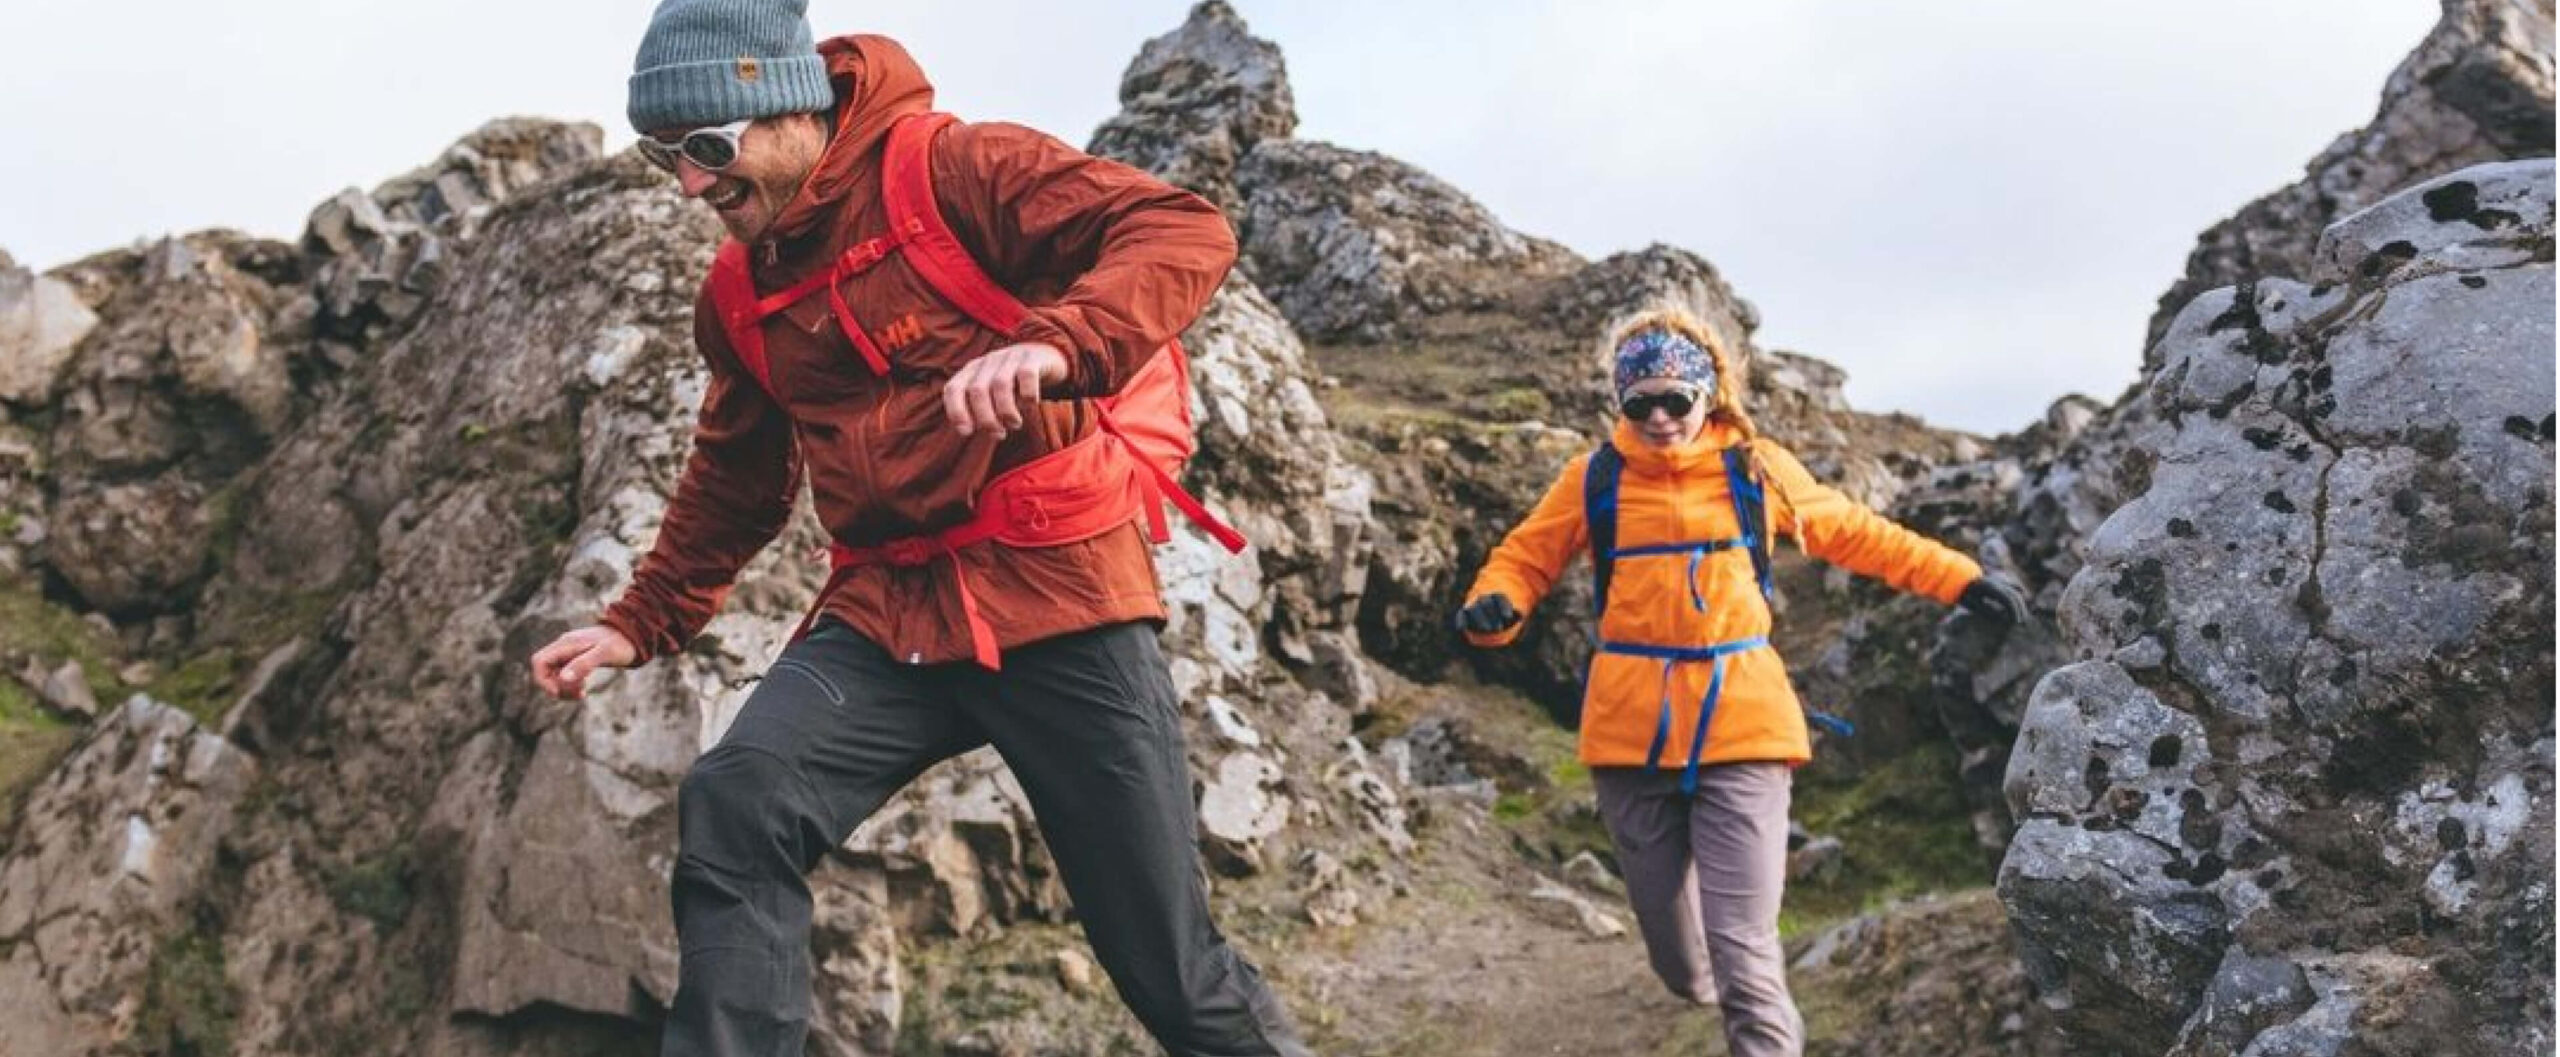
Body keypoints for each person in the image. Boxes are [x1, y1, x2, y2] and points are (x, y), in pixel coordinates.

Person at [527, 2, 1309, 1054]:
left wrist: (1057, 343)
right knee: (740, 797)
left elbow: (1181, 228)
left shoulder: (959, 172)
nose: (691, 186)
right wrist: (641, 619)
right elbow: (737, 473)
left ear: (789, 107)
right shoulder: (739, 290)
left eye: (707, 148)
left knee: (1170, 968)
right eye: (662, 155)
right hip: (887, 610)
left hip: (1055, 588)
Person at [1454, 306, 2026, 1057]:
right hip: (1629, 734)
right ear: (1620, 404)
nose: (1660, 418)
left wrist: (1962, 579)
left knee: (1743, 948)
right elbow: (1524, 559)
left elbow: (1857, 533)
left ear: (1710, 394)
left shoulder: (1756, 469)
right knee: (1682, 962)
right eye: (1640, 404)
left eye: (1675, 400)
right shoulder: (1594, 479)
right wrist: (1494, 607)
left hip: (1744, 724)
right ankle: (1705, 981)